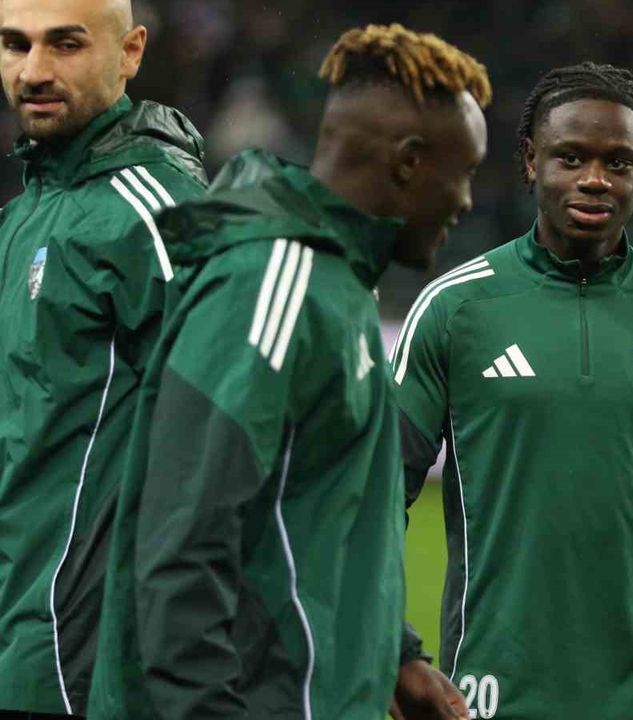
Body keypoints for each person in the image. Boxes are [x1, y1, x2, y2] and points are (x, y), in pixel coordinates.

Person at [87, 24, 489, 720]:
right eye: (465, 171)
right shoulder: (271, 284)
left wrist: (392, 657)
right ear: (409, 162)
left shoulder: (335, 285)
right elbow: (182, 552)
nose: (467, 201)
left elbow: (317, 519)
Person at [391, 62, 633, 720]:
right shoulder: (455, 309)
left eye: (619, 162)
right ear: (530, 162)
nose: (595, 179)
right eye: (570, 157)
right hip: (486, 701)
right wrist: (395, 651)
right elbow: (373, 499)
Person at [0, 0, 208, 715]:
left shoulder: (161, 216)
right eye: (14, 44)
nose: (33, 71)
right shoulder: (26, 213)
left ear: (131, 53)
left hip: (84, 661)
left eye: (65, 45)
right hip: (21, 638)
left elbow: (248, 442)